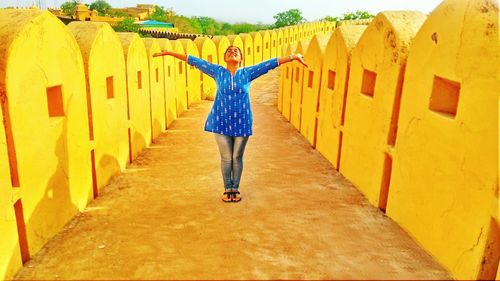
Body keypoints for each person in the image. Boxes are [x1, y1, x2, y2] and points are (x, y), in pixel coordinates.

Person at [153, 45, 307, 203]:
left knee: (237, 157)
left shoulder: (248, 73)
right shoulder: (217, 71)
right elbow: (194, 60)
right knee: (226, 158)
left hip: (242, 121)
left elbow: (269, 64)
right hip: (220, 121)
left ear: (241, 59)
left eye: (236, 51)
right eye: (229, 51)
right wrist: (170, 53)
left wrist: (292, 57)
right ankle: (228, 188)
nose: (232, 52)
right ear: (225, 58)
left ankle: (236, 188)